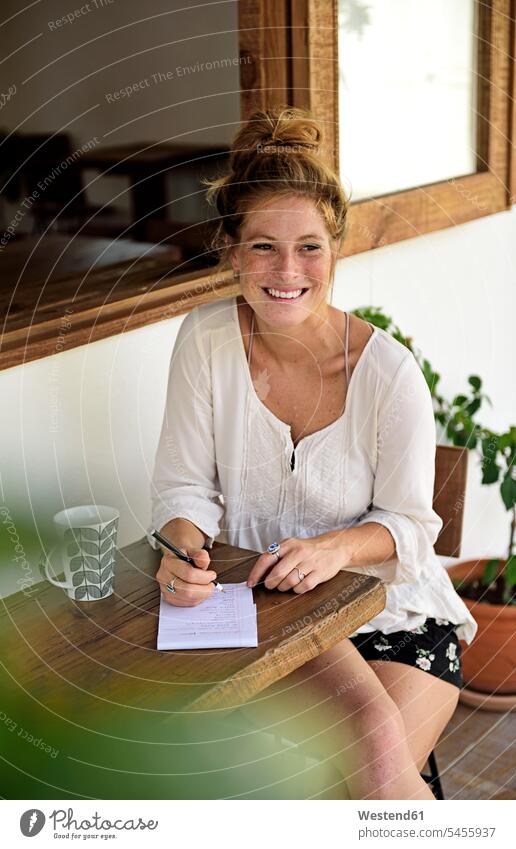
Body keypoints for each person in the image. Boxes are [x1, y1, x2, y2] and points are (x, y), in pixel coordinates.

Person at [148, 105, 477, 800]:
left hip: (394, 618)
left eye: (309, 247)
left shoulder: (388, 374)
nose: (286, 271)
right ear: (231, 251)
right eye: (263, 246)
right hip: (265, 616)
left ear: (337, 249)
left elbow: (413, 530)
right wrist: (180, 556)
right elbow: (182, 490)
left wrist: (334, 548)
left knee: (363, 786)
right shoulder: (204, 343)